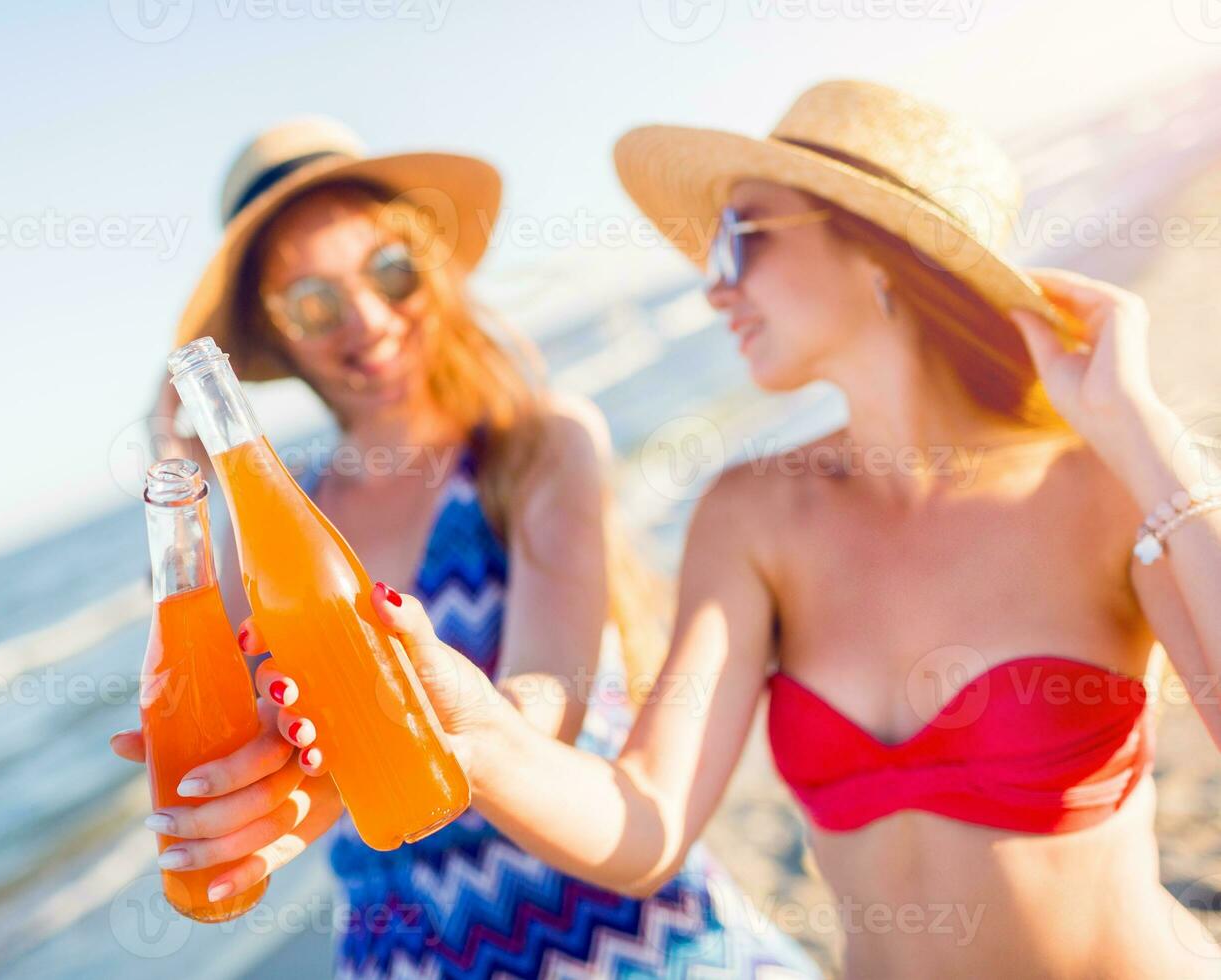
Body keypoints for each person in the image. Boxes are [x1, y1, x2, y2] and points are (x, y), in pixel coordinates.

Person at [204, 83, 1221, 977]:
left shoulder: (1099, 485)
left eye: (743, 235)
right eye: (307, 300)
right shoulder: (750, 516)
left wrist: (1141, 431)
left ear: (875, 242)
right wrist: (476, 734)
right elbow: (645, 821)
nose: (712, 281)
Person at [110, 117, 819, 978]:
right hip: (400, 949)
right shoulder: (269, 521)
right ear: (280, 335)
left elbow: (540, 698)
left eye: (390, 270)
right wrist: (177, 476)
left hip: (604, 917)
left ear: (432, 269)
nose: (366, 322)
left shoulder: (536, 449)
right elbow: (211, 716)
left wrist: (411, 736)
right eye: (313, 302)